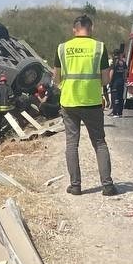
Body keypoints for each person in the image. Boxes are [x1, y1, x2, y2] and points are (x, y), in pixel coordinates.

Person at [54, 14, 117, 196]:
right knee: (99, 143)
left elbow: (57, 78)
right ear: (91, 28)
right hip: (91, 102)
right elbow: (105, 80)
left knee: (72, 144)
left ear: (75, 30)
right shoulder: (99, 47)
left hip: (69, 102)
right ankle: (107, 186)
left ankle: (75, 186)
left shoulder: (63, 48)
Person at [109, 45, 128, 117]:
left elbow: (112, 72)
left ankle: (115, 113)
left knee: (115, 97)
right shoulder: (123, 62)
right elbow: (125, 71)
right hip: (121, 82)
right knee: (120, 97)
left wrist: (109, 82)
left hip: (115, 82)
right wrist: (125, 79)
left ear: (114, 54)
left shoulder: (114, 62)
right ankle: (120, 113)